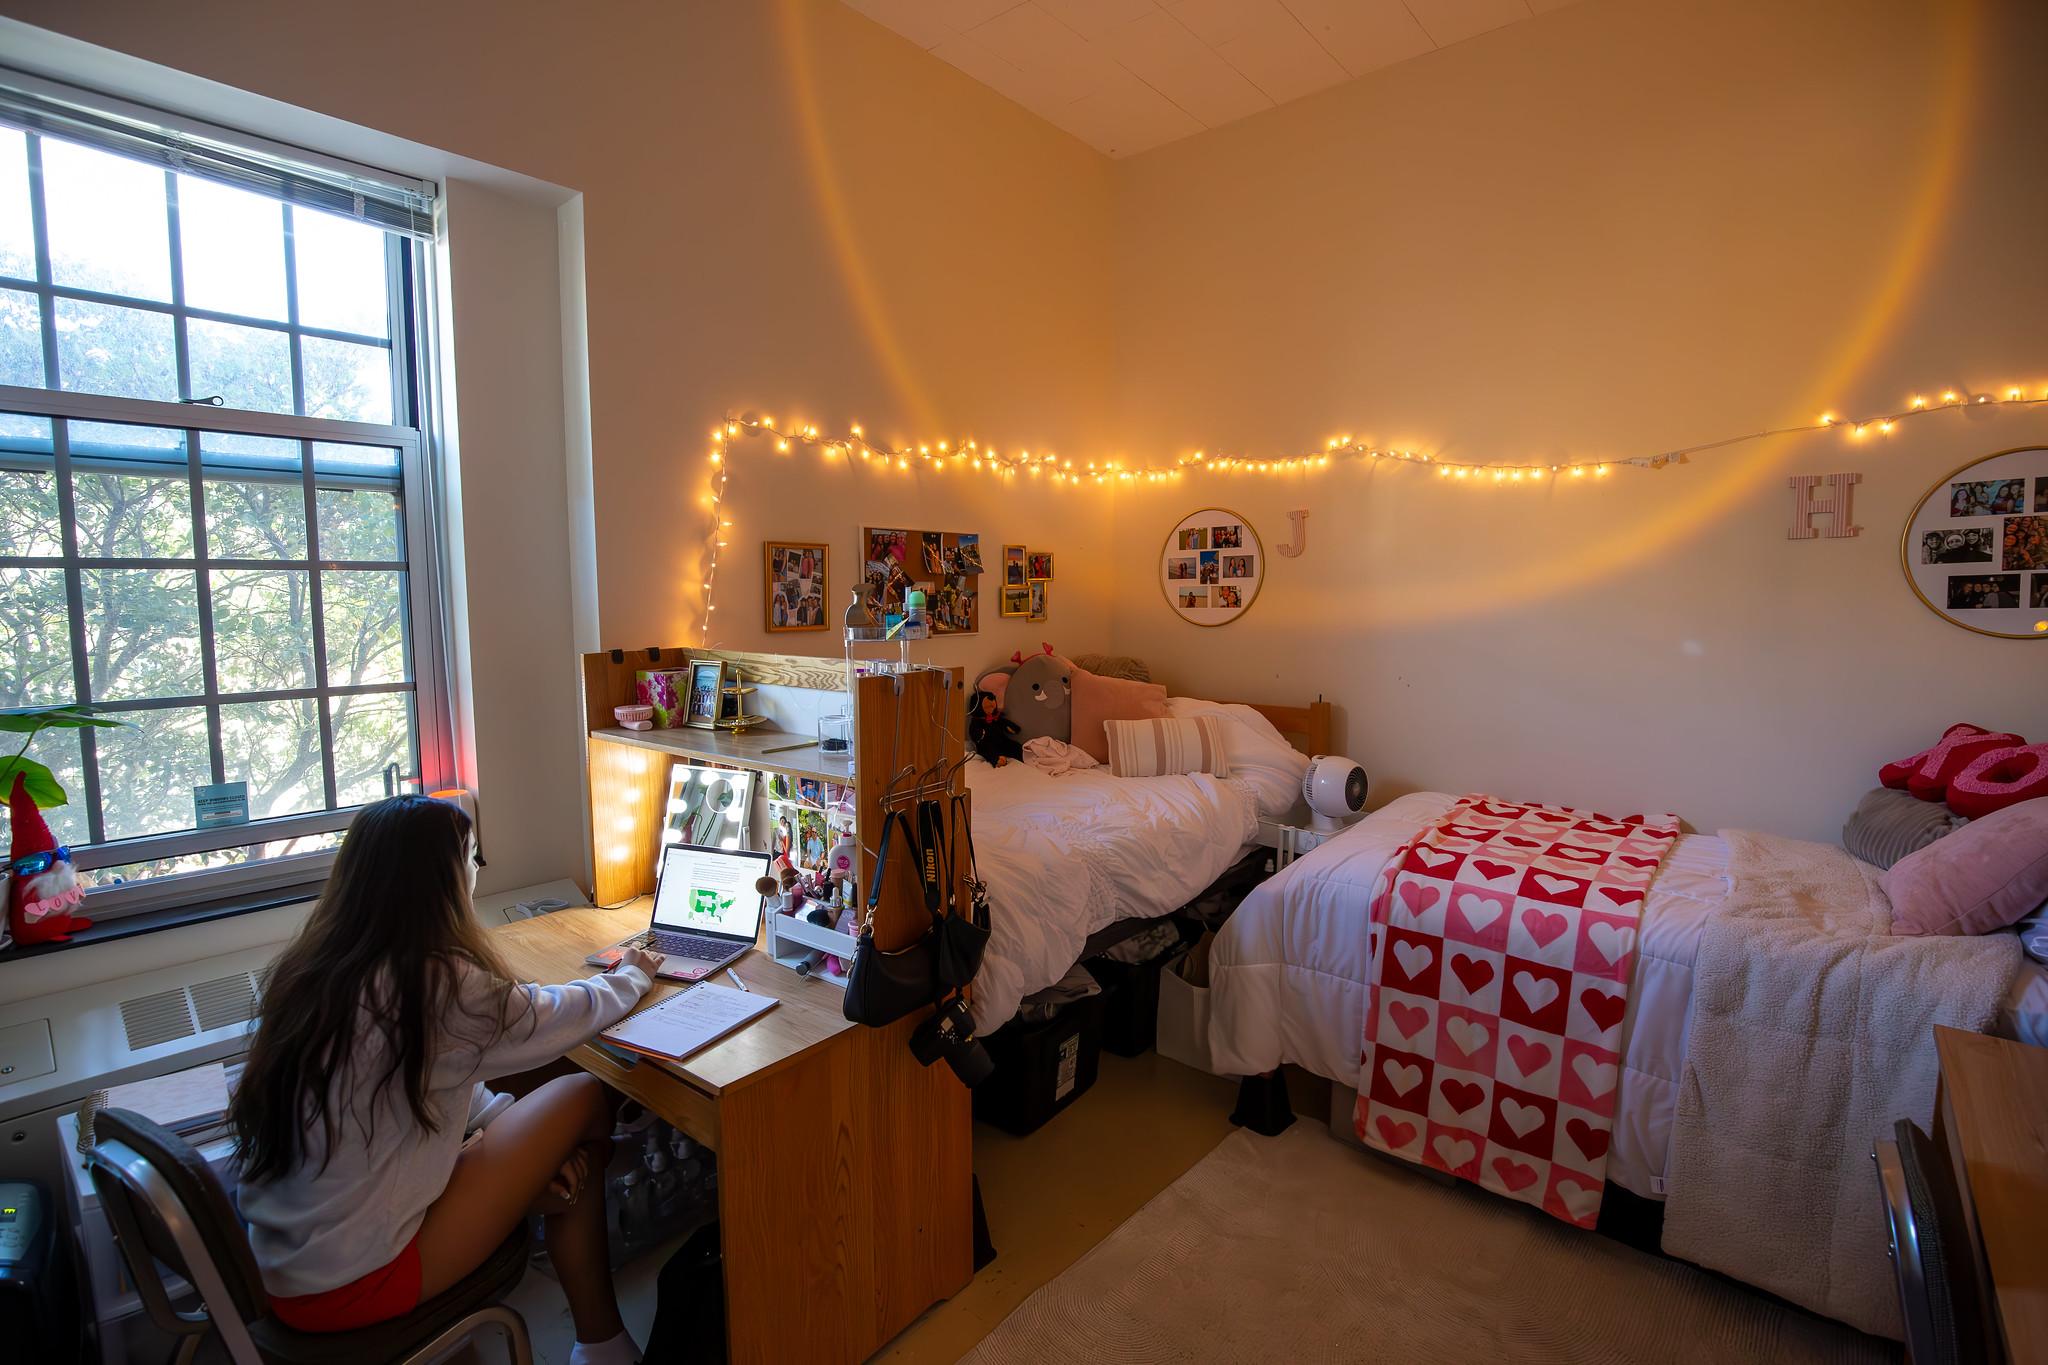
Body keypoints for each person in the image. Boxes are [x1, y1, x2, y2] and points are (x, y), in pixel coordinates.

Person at [229, 795, 663, 1365]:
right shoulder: (428, 983)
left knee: (555, 1143)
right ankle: (604, 1346)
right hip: (356, 1281)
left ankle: (602, 1342)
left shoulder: (315, 969)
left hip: (288, 1264)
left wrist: (522, 1142)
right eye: (472, 859)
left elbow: (433, 1077)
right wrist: (633, 974)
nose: (476, 872)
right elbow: (555, 1018)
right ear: (445, 877)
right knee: (580, 1092)